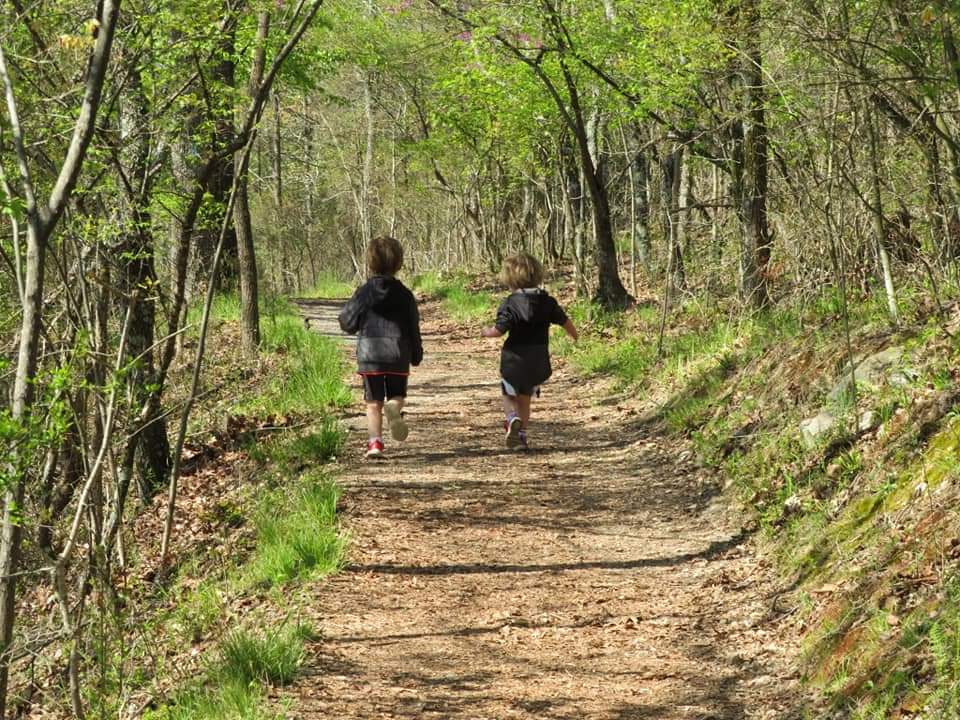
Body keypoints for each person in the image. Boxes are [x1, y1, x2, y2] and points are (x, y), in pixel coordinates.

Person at [481, 253, 577, 449]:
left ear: (509, 279)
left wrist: (487, 332)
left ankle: (512, 417)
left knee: (508, 394)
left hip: (514, 358)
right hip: (538, 359)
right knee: (525, 398)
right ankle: (521, 436)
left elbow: (499, 330)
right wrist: (575, 336)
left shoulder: (509, 303)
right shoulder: (547, 301)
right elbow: (565, 322)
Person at [339, 236, 423, 459]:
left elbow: (347, 321)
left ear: (370, 262)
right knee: (397, 395)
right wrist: (416, 353)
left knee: (373, 403)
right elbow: (413, 326)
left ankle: (375, 444)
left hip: (370, 356)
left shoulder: (364, 293)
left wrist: (355, 324)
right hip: (397, 354)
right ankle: (394, 407)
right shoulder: (405, 295)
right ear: (398, 263)